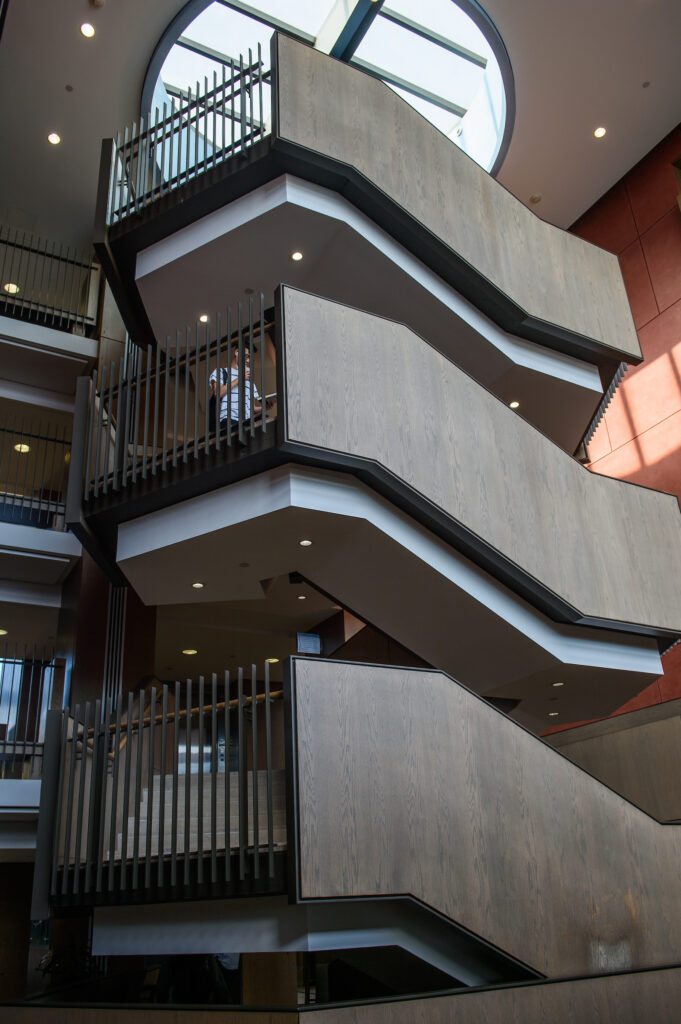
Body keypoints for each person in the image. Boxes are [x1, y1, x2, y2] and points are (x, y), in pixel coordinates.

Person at [210, 346, 261, 433]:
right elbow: (218, 393)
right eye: (247, 356)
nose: (248, 361)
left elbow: (252, 408)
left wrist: (264, 408)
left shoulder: (249, 380)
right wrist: (240, 378)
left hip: (246, 423)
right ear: (237, 352)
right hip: (228, 420)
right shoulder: (221, 372)